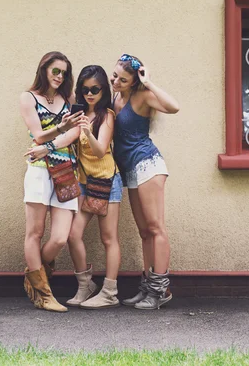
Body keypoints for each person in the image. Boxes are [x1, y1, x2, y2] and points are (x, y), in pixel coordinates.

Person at [111, 54, 180, 310]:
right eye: (115, 75)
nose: (116, 81)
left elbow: (174, 107)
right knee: (144, 232)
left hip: (147, 164)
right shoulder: (116, 97)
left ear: (134, 81)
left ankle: (161, 291)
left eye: (122, 79)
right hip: (129, 169)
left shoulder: (143, 96)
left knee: (156, 227)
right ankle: (148, 286)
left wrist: (148, 83)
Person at [19, 51, 83, 312]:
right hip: (39, 170)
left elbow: (77, 131)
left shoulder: (69, 98)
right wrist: (60, 128)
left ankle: (33, 275)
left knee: (59, 238)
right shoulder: (28, 97)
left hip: (66, 168)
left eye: (64, 73)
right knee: (34, 232)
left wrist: (54, 143)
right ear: (44, 69)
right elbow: (37, 136)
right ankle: (44, 294)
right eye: (55, 71)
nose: (60, 76)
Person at [65, 65, 123, 309]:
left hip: (108, 180)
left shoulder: (106, 115)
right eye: (85, 89)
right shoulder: (77, 114)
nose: (90, 94)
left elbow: (100, 151)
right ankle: (85, 285)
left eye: (95, 89)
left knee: (108, 238)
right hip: (86, 183)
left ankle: (109, 292)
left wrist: (87, 131)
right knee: (72, 234)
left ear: (103, 91)